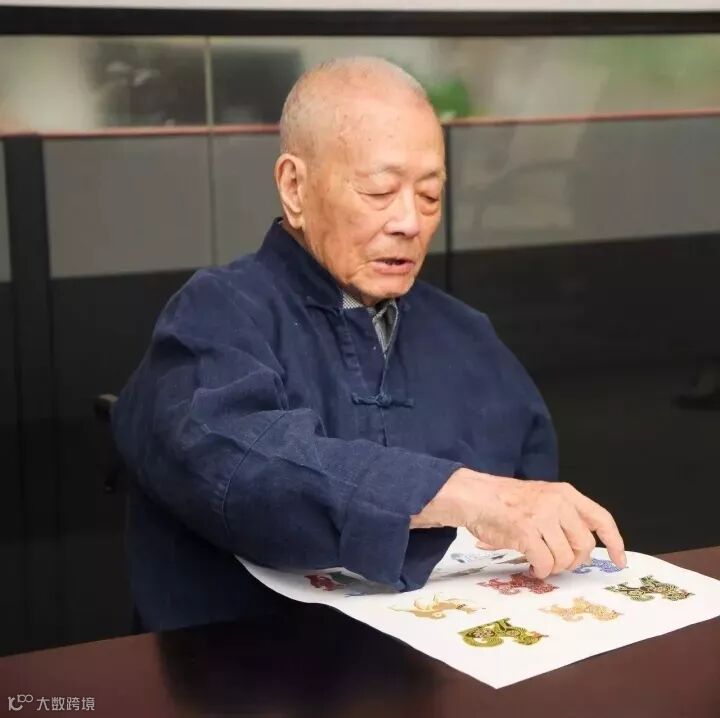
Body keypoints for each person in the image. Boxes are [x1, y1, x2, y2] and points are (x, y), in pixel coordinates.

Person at [112, 56, 625, 632]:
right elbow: (237, 463)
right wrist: (459, 493)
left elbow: (530, 505)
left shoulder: (468, 337)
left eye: (429, 196)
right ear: (294, 187)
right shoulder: (216, 315)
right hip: (257, 665)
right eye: (380, 190)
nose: (410, 222)